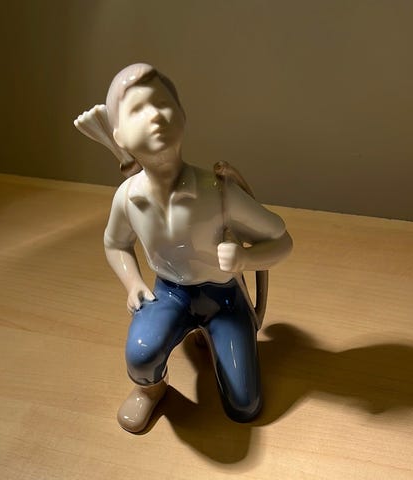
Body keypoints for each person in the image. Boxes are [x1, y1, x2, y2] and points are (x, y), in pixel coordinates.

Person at [76, 63, 293, 433]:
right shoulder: (128, 198)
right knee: (141, 354)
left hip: (224, 297)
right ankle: (151, 390)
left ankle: (214, 338)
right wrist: (133, 283)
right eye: (138, 110)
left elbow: (281, 240)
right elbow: (115, 244)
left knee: (245, 405)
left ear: (182, 114)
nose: (155, 115)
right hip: (170, 292)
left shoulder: (218, 192)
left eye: (163, 103)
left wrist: (246, 257)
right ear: (119, 136)